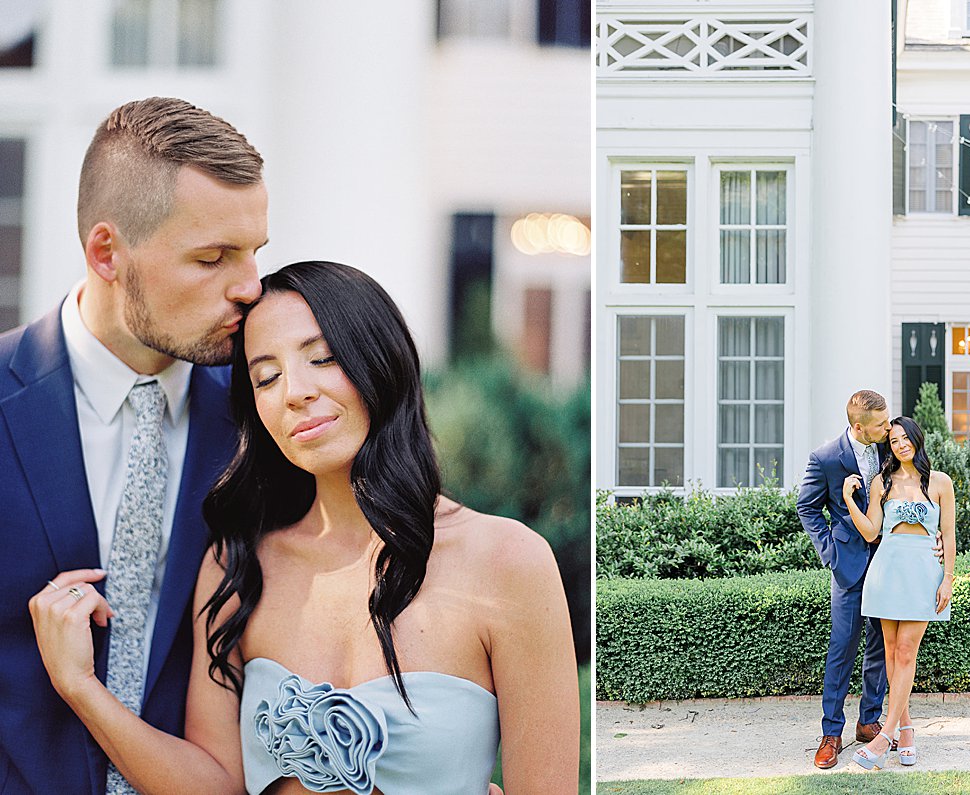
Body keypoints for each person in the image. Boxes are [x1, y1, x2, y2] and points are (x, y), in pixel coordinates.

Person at [30, 261, 580, 794]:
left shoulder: (508, 562)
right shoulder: (238, 565)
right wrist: (80, 687)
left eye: (322, 359)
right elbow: (214, 785)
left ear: (380, 361)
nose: (294, 391)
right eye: (265, 377)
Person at [3, 97, 266, 793]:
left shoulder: (267, 419)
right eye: (212, 257)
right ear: (106, 252)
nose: (250, 287)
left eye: (253, 253)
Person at [797, 390, 944, 769]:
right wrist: (830, 551)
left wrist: (935, 536)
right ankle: (832, 732)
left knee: (883, 651)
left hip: (892, 566)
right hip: (847, 565)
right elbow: (807, 507)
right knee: (842, 649)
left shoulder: (889, 449)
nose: (889, 429)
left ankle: (870, 722)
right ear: (859, 426)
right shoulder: (826, 458)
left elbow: (920, 495)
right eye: (881, 424)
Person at [843, 415, 956, 770]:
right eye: (893, 441)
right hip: (887, 569)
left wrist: (947, 578)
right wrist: (849, 500)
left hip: (922, 570)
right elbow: (871, 532)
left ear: (917, 440)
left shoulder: (940, 482)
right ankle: (905, 729)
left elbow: (949, 534)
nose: (901, 444)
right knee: (892, 655)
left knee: (907, 651)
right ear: (888, 446)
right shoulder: (882, 482)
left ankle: (885, 734)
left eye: (906, 438)